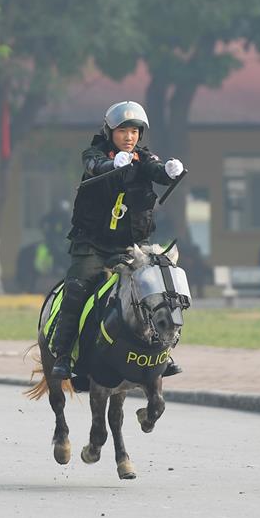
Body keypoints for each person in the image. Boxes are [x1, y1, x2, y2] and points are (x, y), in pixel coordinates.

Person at [49, 100, 186, 381]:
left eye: (134, 131)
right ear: (109, 132)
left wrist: (169, 171)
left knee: (158, 287)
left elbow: (156, 170)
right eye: (123, 131)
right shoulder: (93, 154)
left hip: (131, 247)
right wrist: (112, 164)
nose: (129, 137)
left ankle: (163, 350)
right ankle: (63, 355)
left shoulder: (143, 159)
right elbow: (94, 166)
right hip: (92, 245)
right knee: (76, 290)